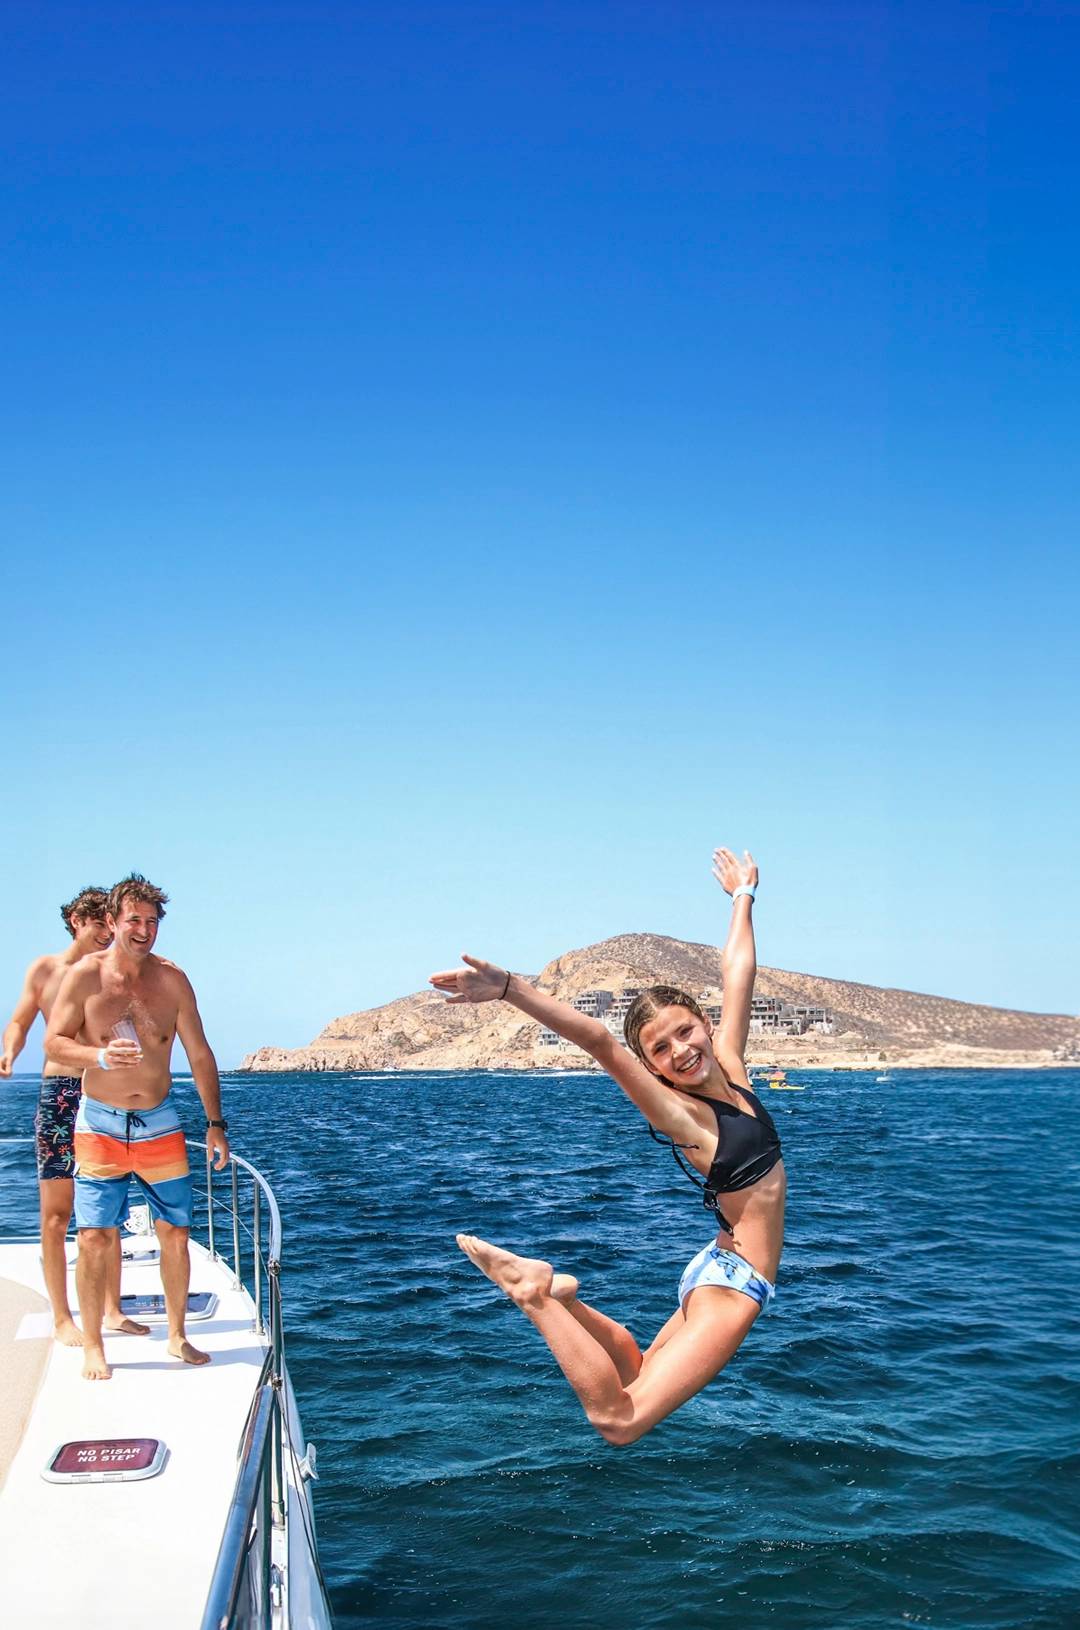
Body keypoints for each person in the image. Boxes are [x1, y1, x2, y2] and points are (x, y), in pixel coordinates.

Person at [429, 848, 784, 1446]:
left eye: (684, 1031)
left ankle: (569, 1302)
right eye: (660, 1050)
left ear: (703, 1021)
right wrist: (511, 987)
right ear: (652, 1067)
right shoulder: (686, 1115)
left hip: (719, 1265)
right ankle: (536, 1294)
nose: (681, 1051)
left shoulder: (732, 1065)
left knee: (636, 1369)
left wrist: (742, 896)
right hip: (735, 1282)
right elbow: (599, 1040)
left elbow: (737, 973)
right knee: (619, 1420)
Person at [44, 873, 229, 1381]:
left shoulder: (172, 980)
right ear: (112, 921)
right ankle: (94, 1347)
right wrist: (98, 1054)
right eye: (134, 920)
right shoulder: (83, 977)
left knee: (176, 1230)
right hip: (99, 1123)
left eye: (152, 921)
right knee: (95, 1237)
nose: (144, 930)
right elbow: (55, 1043)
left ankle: (176, 1336)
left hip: (159, 1121)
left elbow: (199, 1052)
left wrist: (215, 1124)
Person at [1, 887, 148, 1346]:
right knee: (57, 1212)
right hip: (61, 1092)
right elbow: (22, 1021)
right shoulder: (47, 970)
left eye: (110, 924)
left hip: (104, 1094)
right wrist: (9, 1053)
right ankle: (62, 1316)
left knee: (107, 1208)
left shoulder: (116, 973)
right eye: (97, 924)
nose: (107, 932)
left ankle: (112, 1309)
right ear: (75, 922)